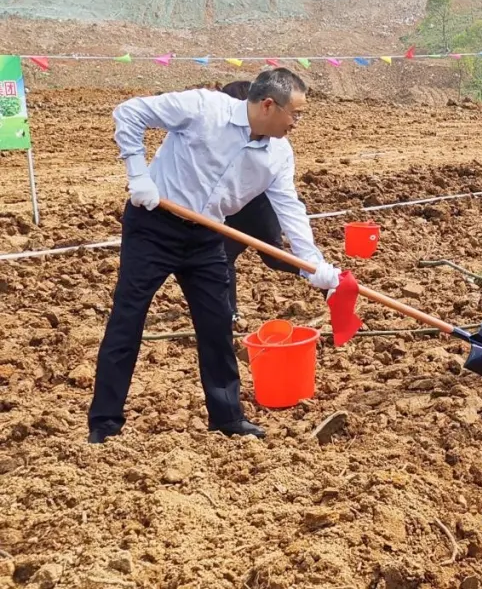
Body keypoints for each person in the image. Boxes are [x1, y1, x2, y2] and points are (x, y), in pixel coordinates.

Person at [88, 68, 340, 444]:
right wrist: (138, 175)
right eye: (296, 114)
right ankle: (105, 423)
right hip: (153, 226)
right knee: (128, 318)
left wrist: (312, 263)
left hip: (207, 235)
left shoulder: (279, 155)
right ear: (269, 105)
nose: (297, 123)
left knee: (217, 324)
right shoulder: (204, 108)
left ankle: (227, 418)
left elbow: (290, 207)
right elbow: (129, 112)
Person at [218, 80, 306, 322]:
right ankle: (230, 313)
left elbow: (288, 201)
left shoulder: (275, 146)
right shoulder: (222, 133)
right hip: (235, 207)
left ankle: (318, 276)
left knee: (274, 257)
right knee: (223, 256)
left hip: (260, 205)